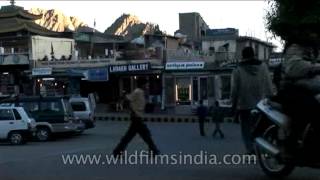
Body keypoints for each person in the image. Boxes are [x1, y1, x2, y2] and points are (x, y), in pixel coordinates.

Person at [276, 43, 320, 152]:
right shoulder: (295, 47)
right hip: (292, 89)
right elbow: (294, 68)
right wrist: (315, 67)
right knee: (311, 108)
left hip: (311, 89)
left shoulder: (314, 48)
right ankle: (290, 145)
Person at [231, 46, 273, 154]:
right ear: (254, 55)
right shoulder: (263, 66)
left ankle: (250, 149)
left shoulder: (238, 69)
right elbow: (269, 84)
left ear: (243, 56)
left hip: (245, 104)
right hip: (262, 105)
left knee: (245, 128)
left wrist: (234, 105)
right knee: (262, 127)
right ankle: (262, 147)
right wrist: (271, 98)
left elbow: (234, 89)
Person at [113, 78, 160, 156]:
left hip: (138, 117)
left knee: (130, 136)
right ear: (143, 84)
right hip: (136, 118)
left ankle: (117, 151)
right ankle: (153, 151)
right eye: (146, 84)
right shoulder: (137, 92)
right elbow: (128, 98)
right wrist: (130, 106)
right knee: (146, 135)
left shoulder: (141, 92)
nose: (148, 85)